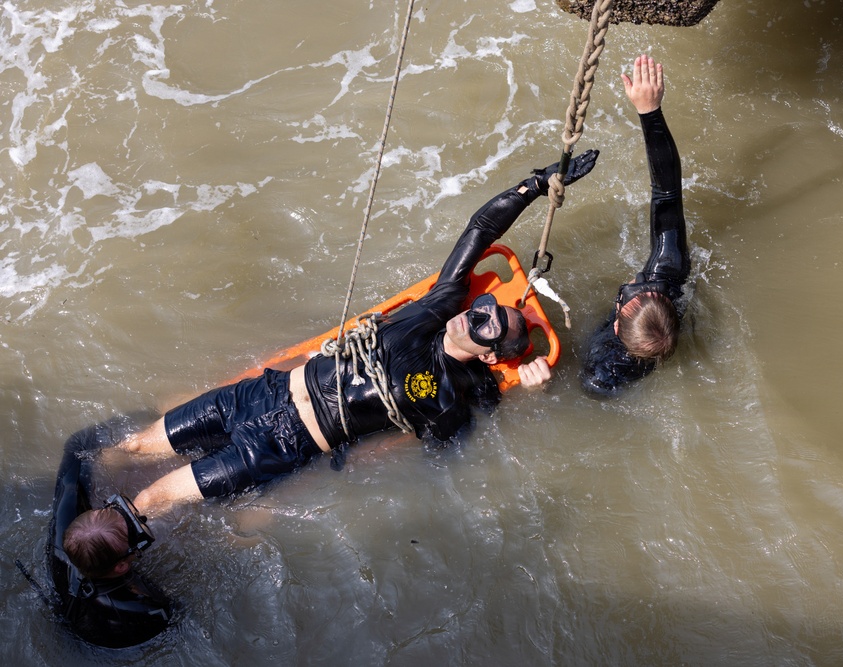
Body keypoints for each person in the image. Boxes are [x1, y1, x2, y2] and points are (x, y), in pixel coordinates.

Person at [70, 149, 598, 526]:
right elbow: (480, 229)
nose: (476, 315)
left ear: (492, 353)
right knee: (134, 447)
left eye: (488, 325)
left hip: (284, 443)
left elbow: (447, 456)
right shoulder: (435, 310)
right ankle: (77, 492)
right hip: (262, 392)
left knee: (154, 500)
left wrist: (533, 393)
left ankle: (106, 550)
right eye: (483, 308)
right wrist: (538, 183)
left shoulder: (453, 395)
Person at [580, 55, 691, 397]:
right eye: (646, 287)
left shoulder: (600, 373)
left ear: (617, 323)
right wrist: (649, 112)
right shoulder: (669, 271)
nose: (637, 281)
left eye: (631, 291)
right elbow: (667, 191)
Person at [48, 420, 172, 648]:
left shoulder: (63, 531)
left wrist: (125, 424)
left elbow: (77, 444)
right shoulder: (146, 607)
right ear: (122, 567)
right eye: (133, 530)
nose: (137, 518)